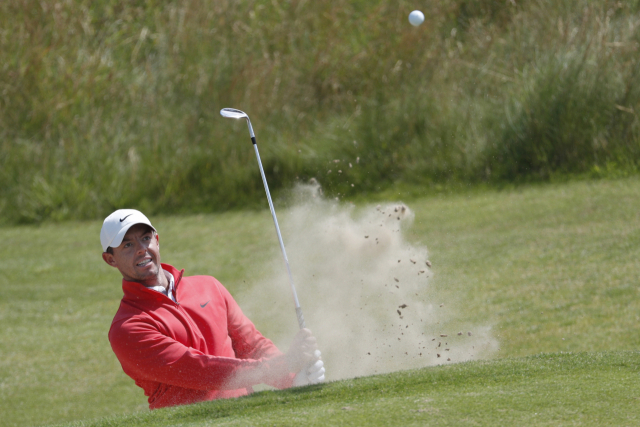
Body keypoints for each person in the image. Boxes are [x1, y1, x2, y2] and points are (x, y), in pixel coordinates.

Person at [101, 209, 325, 409]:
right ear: (110, 259)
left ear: (157, 240)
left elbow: (251, 344)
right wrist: (279, 365)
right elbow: (199, 369)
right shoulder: (127, 328)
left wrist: (292, 378)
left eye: (145, 238)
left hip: (249, 416)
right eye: (127, 245)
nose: (141, 249)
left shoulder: (209, 286)